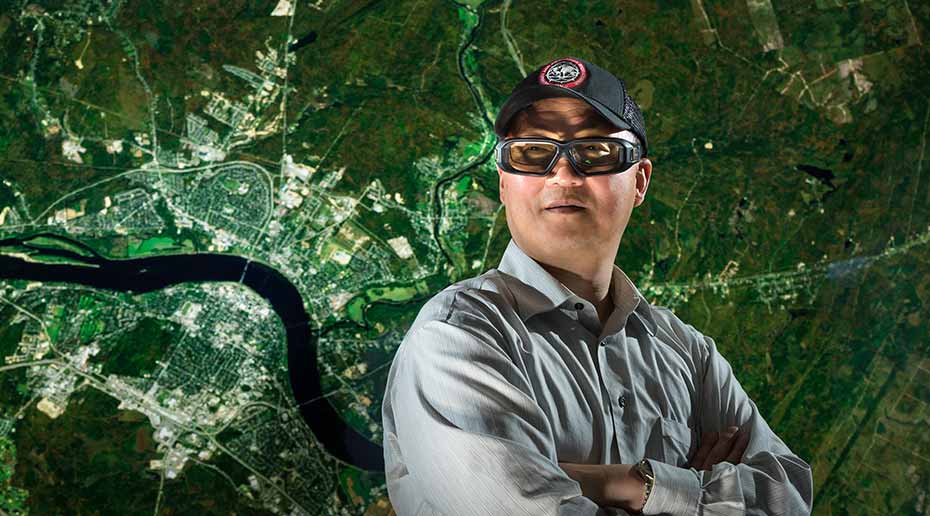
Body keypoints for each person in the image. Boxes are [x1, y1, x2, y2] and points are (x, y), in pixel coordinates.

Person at [381, 56, 813, 515]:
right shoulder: (457, 338)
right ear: (505, 183)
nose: (563, 174)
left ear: (640, 180)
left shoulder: (689, 354)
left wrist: (633, 484)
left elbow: (788, 498)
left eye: (596, 152)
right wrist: (693, 491)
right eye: (531, 152)